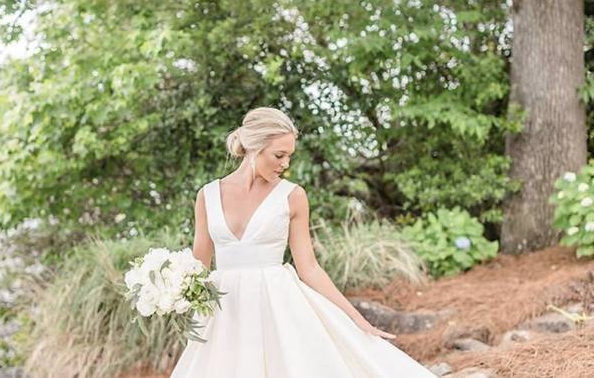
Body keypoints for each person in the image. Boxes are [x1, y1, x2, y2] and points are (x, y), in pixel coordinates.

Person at [170, 107, 437, 377]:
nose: (285, 164)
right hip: (225, 312)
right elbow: (198, 267)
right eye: (279, 155)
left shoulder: (292, 196)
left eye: (289, 156)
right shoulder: (208, 195)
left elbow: (309, 268)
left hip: (278, 308)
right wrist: (167, 293)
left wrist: (355, 318)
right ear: (253, 147)